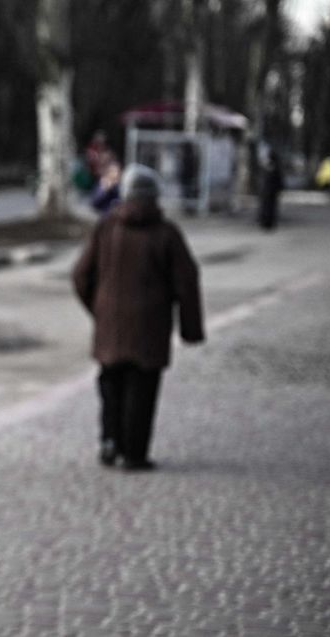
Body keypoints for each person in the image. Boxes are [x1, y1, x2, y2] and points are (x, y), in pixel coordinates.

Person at [72, 164, 205, 471]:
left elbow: (80, 275)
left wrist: (99, 309)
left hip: (111, 329)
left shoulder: (106, 227)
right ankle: (134, 454)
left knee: (110, 387)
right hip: (149, 330)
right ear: (154, 197)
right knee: (141, 391)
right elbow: (187, 281)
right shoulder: (166, 233)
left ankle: (109, 442)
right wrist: (190, 329)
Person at [258, 149, 284, 230]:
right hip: (270, 192)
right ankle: (266, 222)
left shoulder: (271, 167)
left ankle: (267, 223)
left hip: (269, 192)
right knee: (269, 208)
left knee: (268, 208)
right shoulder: (273, 167)